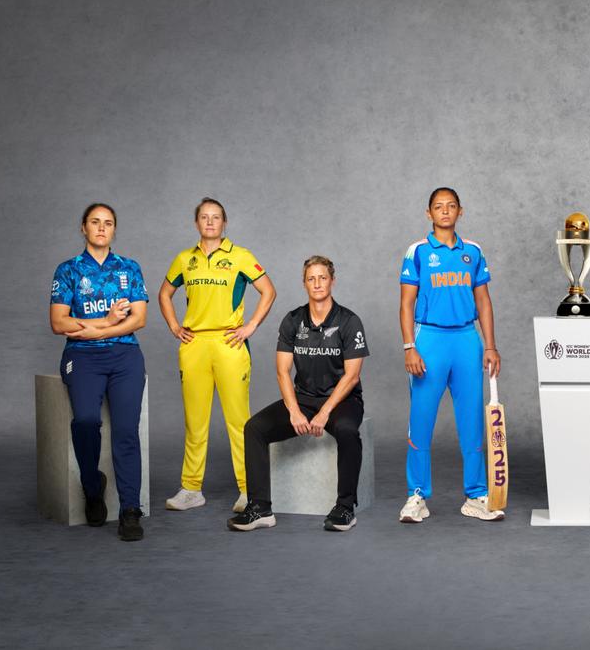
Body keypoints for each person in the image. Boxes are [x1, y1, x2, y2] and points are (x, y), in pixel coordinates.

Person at [228, 256, 369, 532]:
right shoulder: (293, 320)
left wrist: (325, 412)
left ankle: (345, 508)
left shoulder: (349, 321)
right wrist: (294, 410)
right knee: (254, 428)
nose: (317, 283)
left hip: (342, 400)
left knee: (347, 431)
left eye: (322, 278)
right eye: (311, 278)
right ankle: (260, 508)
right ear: (304, 283)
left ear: (332, 281)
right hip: (303, 398)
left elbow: (352, 376)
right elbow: (282, 371)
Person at [159, 198, 276, 513]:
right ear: (196, 222)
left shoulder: (240, 256)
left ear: (224, 223)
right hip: (194, 345)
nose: (210, 222)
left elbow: (268, 290)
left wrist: (251, 326)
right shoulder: (184, 259)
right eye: (204, 217)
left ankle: (248, 490)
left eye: (216, 217)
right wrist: (174, 326)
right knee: (195, 422)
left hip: (229, 344)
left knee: (239, 422)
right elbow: (164, 294)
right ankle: (191, 489)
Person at [397, 187, 503, 523]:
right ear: (429, 213)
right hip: (429, 340)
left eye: (451, 205)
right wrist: (409, 346)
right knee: (421, 420)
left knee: (472, 421)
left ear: (460, 211)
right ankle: (417, 495)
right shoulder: (417, 251)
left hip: (466, 340)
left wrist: (490, 345)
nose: (445, 211)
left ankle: (476, 495)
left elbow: (483, 301)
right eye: (438, 206)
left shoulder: (473, 251)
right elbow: (406, 303)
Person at [49, 203, 149, 541]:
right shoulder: (68, 270)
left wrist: (99, 329)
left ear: (114, 229)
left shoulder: (129, 268)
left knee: (126, 430)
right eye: (95, 222)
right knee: (86, 420)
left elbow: (139, 319)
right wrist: (105, 322)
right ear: (84, 228)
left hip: (125, 356)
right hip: (82, 356)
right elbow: (58, 322)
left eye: (108, 223)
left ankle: (130, 510)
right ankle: (92, 487)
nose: (102, 228)